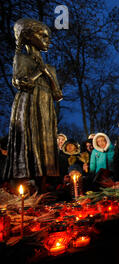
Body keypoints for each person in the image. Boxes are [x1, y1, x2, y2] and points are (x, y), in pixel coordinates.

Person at [2, 18, 62, 190]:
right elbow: (22, 83)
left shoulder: (50, 67)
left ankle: (45, 180)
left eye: (48, 37)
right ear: (28, 36)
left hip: (45, 106)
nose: (47, 41)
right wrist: (39, 72)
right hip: (27, 104)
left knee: (45, 141)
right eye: (43, 36)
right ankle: (24, 179)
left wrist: (48, 75)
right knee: (28, 137)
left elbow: (58, 94)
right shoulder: (21, 59)